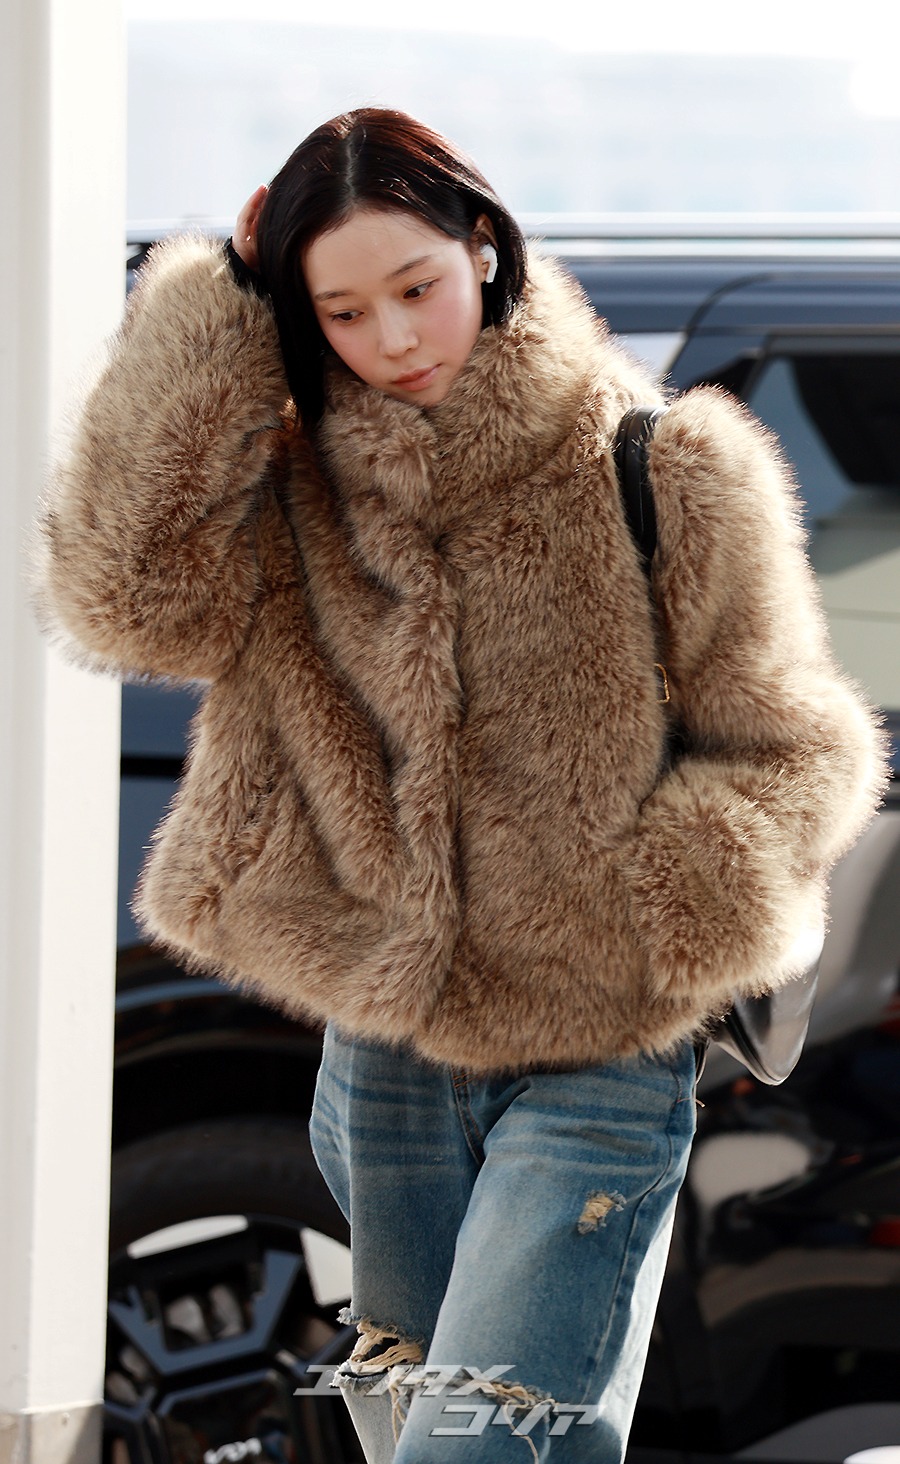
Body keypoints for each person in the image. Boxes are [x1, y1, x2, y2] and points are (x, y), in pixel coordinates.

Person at [35, 108, 886, 1462]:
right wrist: (213, 304)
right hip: (382, 1067)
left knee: (479, 1447)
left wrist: (647, 918)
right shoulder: (293, 489)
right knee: (425, 1438)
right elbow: (124, 598)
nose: (394, 339)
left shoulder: (665, 465)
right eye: (342, 312)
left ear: (482, 245)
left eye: (416, 287)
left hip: (598, 1058)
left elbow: (797, 746)